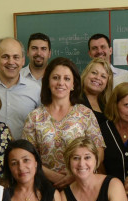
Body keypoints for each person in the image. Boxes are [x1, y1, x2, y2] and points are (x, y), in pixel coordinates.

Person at [23, 57, 105, 188]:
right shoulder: (34, 117)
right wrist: (55, 177)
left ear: (73, 84)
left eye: (67, 79)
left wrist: (75, 175)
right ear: (48, 82)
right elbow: (27, 156)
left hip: (81, 184)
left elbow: (99, 151)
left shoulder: (85, 113)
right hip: (45, 186)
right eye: (55, 78)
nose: (61, 83)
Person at [0, 37, 41, 139]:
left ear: (23, 61)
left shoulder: (36, 90)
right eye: (5, 57)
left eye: (16, 57)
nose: (11, 62)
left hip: (23, 152)